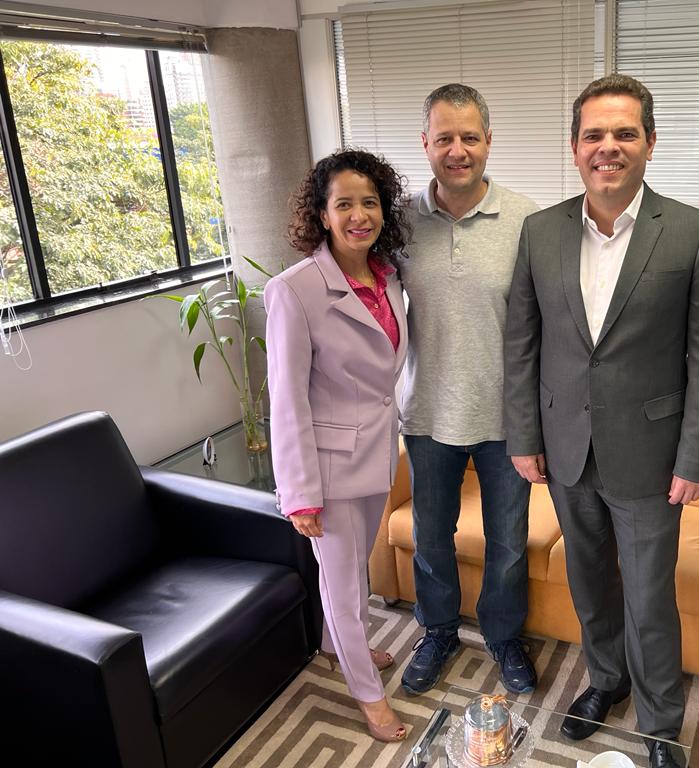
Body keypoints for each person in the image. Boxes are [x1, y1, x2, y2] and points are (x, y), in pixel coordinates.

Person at [504, 74, 699, 768]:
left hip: (651, 456)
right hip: (565, 448)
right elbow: (522, 342)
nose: (608, 146)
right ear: (574, 147)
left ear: (650, 143)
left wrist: (697, 457)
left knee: (649, 598)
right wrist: (524, 437)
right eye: (594, 135)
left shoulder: (693, 233)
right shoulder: (540, 231)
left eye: (625, 133)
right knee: (588, 582)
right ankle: (605, 681)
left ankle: (661, 725)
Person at [265, 150, 411, 743]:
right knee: (345, 585)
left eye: (369, 202)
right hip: (327, 469)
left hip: (376, 453)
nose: (359, 215)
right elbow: (286, 399)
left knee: (354, 572)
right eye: (344, 204)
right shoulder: (294, 290)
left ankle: (335, 642)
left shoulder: (389, 277)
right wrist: (298, 492)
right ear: (321, 215)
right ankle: (369, 697)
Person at [399, 83, 540, 695]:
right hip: (427, 412)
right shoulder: (397, 222)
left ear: (488, 142)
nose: (457, 150)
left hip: (507, 418)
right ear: (425, 143)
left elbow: (545, 322)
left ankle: (504, 636)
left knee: (508, 543)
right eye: (444, 138)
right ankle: (437, 631)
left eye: (470, 137)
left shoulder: (527, 220)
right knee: (431, 538)